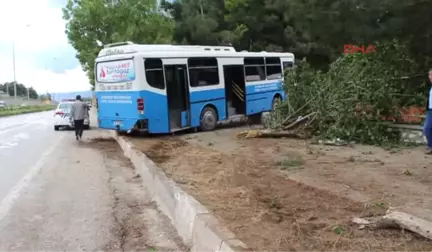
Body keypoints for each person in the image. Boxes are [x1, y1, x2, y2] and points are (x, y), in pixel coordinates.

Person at [424, 69, 432, 154]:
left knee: (428, 128)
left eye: (431, 75)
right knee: (427, 129)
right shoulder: (431, 87)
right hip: (430, 110)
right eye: (429, 75)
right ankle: (430, 146)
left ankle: (430, 146)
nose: (430, 77)